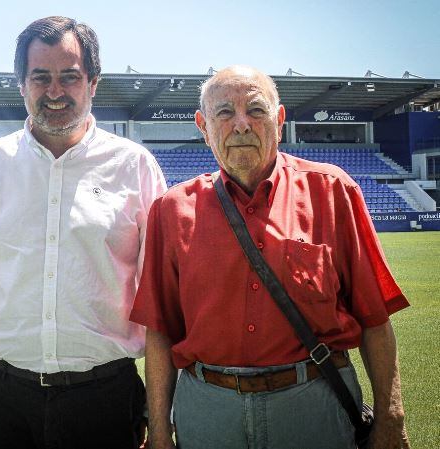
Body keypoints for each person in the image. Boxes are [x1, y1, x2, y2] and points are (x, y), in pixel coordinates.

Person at [131, 65, 410, 449]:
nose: (241, 125)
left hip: (313, 403)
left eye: (256, 111)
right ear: (203, 125)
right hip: (208, 411)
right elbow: (160, 331)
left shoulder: (333, 192)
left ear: (279, 120)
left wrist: (392, 418)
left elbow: (375, 320)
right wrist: (160, 430)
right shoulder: (171, 210)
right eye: (225, 113)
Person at [0, 16, 167, 449]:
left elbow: (161, 301)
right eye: (41, 77)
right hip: (1, 394)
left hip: (106, 396)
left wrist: (160, 407)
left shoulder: (135, 167)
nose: (55, 92)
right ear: (21, 83)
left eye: (69, 77)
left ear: (93, 82)